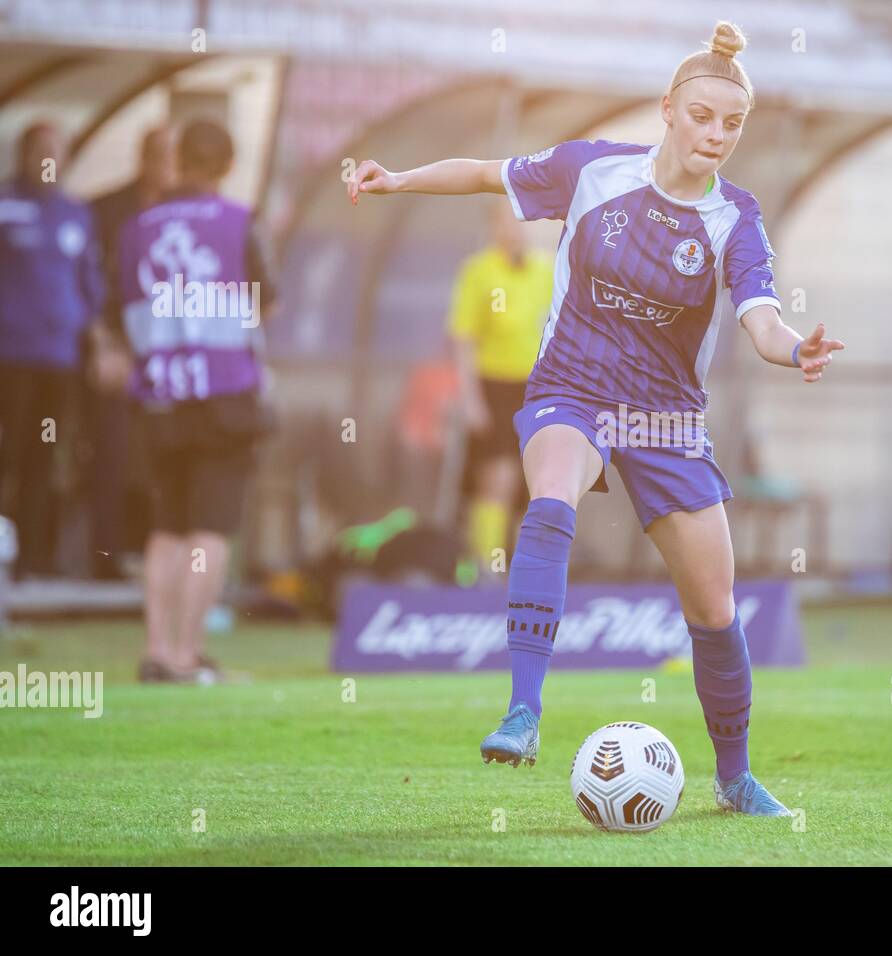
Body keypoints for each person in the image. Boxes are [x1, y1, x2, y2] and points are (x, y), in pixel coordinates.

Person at [349, 20, 844, 816]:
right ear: (669, 111)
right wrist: (396, 179)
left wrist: (795, 351)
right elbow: (486, 172)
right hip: (570, 391)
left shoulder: (735, 220)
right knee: (549, 498)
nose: (716, 134)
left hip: (667, 421)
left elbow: (760, 318)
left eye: (732, 123)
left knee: (714, 611)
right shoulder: (591, 170)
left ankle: (734, 778)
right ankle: (522, 711)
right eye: (703, 116)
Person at [116, 119, 277, 682]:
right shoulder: (237, 222)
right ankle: (187, 656)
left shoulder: (136, 227)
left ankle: (157, 651)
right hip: (225, 396)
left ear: (178, 159)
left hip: (159, 395)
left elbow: (122, 309)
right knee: (209, 528)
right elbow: (267, 301)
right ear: (228, 165)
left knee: (167, 526)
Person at [0, 121, 105, 578]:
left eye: (56, 151)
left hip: (59, 359)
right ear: (24, 154)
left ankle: (32, 558)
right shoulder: (5, 204)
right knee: (8, 453)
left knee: (44, 457)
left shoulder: (76, 215)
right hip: (10, 356)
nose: (48, 160)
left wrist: (97, 340)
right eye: (40, 150)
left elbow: (90, 286)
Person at [85, 127, 178, 580]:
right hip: (119, 352)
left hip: (171, 358)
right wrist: (103, 343)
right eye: (164, 155)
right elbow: (87, 283)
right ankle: (102, 560)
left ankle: (158, 563)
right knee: (111, 455)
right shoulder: (107, 210)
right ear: (146, 158)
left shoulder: (185, 215)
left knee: (169, 461)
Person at [448, 201, 552, 573]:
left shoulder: (546, 270)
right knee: (496, 479)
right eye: (507, 220)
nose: (516, 228)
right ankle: (486, 570)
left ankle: (526, 569)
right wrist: (471, 399)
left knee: (533, 483)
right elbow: (463, 339)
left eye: (522, 221)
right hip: (494, 386)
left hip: (536, 388)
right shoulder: (478, 272)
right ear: (494, 226)